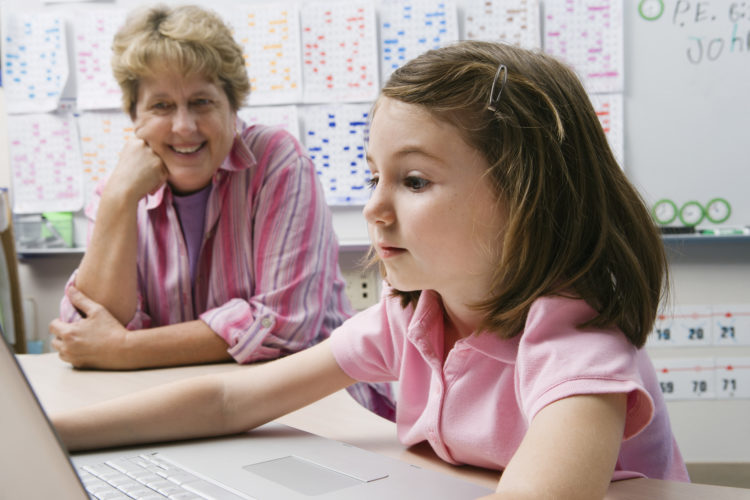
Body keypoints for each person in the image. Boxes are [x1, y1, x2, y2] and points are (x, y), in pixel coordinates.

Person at [52, 40, 690, 499]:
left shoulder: (574, 347)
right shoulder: (413, 318)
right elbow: (227, 398)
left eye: (413, 180)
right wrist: (48, 435)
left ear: (528, 197)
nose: (373, 207)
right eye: (372, 174)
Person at [48, 4, 393, 419]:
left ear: (233, 106)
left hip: (314, 405)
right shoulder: (120, 190)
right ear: (133, 116)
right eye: (160, 106)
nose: (184, 126)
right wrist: (118, 201)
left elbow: (284, 324)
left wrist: (124, 350)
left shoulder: (276, 161)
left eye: (201, 102)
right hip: (187, 406)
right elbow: (86, 329)